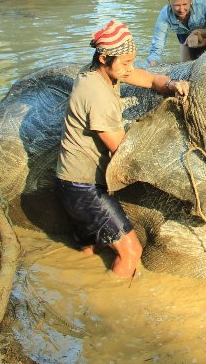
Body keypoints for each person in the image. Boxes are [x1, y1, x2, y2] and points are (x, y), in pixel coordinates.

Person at [56, 20, 189, 278]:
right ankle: (112, 302)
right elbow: (121, 149)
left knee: (91, 247)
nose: (129, 68)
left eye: (132, 61)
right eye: (125, 63)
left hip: (70, 181)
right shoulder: (96, 94)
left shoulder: (98, 71)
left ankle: (80, 292)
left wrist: (170, 85)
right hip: (83, 188)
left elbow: (147, 78)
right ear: (104, 57)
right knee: (131, 251)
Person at [147, 0, 206, 65]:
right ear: (169, 1)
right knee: (186, 68)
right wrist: (153, 67)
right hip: (185, 39)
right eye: (177, 5)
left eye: (185, 4)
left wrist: (197, 32)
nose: (181, 10)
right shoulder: (164, 15)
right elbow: (156, 49)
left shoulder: (203, 2)